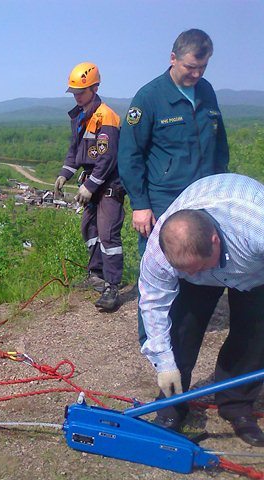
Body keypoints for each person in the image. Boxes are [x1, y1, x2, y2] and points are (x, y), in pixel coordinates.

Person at [118, 28, 229, 340]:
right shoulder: (149, 97)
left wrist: (220, 183)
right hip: (163, 202)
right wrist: (139, 204)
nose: (195, 74)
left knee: (197, 265)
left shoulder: (206, 91)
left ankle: (185, 331)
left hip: (204, 198)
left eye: (202, 67)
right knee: (158, 270)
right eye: (190, 67)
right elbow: (129, 155)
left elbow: (220, 143)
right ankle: (152, 340)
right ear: (173, 58)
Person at [139, 173, 264, 446]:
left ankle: (238, 406)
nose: (194, 273)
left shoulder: (257, 223)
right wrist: (165, 364)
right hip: (209, 258)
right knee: (182, 327)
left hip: (255, 269)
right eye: (186, 270)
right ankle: (172, 404)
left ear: (214, 241)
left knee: (254, 334)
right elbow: (153, 304)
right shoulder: (160, 253)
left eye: (199, 266)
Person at [54, 62, 125, 312]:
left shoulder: (106, 116)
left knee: (107, 234)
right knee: (89, 228)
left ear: (94, 88)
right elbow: (75, 151)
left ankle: (112, 286)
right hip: (91, 182)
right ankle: (96, 274)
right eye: (74, 92)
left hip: (108, 183)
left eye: (80, 92)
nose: (76, 96)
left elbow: (108, 157)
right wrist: (65, 175)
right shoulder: (80, 116)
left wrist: (91, 186)